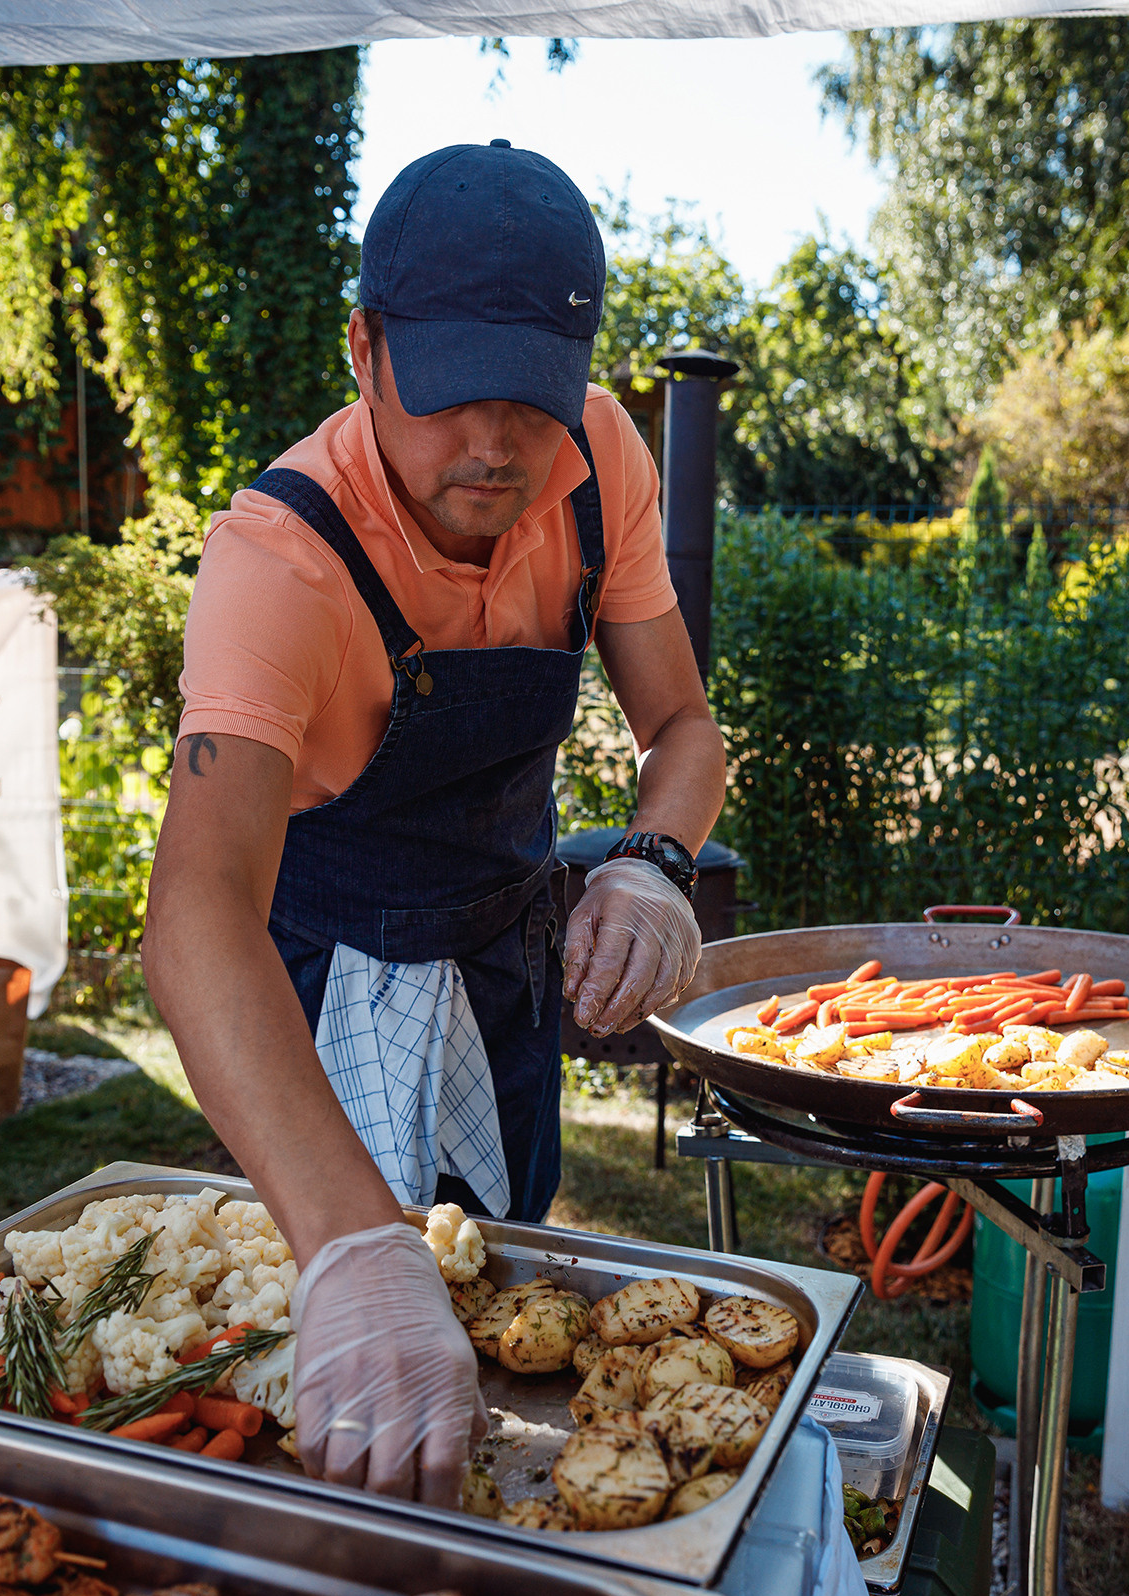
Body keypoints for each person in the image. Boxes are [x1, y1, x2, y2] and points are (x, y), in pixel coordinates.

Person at [142, 141, 726, 1509]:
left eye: (530, 397)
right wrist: (353, 1247)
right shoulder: (281, 561)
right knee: (330, 1400)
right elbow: (195, 917)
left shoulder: (601, 465)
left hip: (502, 970)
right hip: (313, 1001)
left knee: (510, 1333)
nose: (494, 444)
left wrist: (652, 864)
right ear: (365, 349)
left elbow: (685, 730)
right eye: (451, 388)